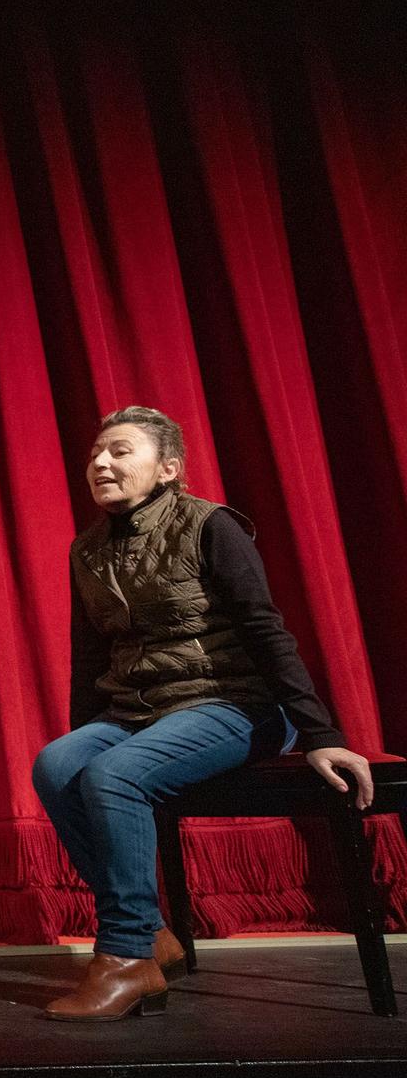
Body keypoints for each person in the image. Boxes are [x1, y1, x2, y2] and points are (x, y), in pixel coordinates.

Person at [32, 406, 374, 1022]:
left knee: (116, 775)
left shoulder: (210, 526)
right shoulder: (87, 550)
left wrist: (321, 731)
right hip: (140, 710)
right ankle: (149, 930)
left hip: (233, 703)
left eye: (120, 451)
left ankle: (126, 956)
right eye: (95, 454)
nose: (101, 463)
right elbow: (92, 657)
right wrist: (86, 732)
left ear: (167, 469)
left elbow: (266, 630)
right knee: (58, 764)